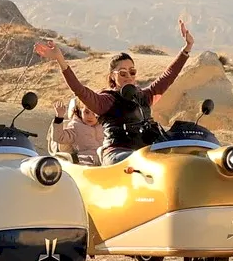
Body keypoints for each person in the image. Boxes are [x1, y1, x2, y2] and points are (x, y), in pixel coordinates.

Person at [36, 22, 193, 164]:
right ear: (112, 76)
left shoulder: (145, 96)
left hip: (145, 153)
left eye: (132, 72)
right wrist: (60, 60)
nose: (129, 77)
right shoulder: (107, 100)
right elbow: (80, 90)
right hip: (118, 154)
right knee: (141, 164)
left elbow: (168, 76)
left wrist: (187, 48)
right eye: (123, 73)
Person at [52, 97, 104, 165]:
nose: (90, 116)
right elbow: (59, 137)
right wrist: (59, 117)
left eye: (94, 113)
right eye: (86, 112)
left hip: (106, 159)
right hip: (86, 160)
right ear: (80, 111)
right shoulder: (76, 126)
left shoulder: (105, 126)